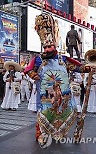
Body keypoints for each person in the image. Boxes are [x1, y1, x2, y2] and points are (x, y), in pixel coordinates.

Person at [24, 13, 92, 148]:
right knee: (43, 115)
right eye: (45, 47)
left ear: (54, 46)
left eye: (50, 47)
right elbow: (28, 70)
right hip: (45, 97)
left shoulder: (63, 59)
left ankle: (59, 133)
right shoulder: (39, 59)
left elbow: (78, 68)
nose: (47, 49)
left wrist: (88, 69)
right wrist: (33, 74)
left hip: (62, 96)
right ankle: (41, 135)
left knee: (60, 114)